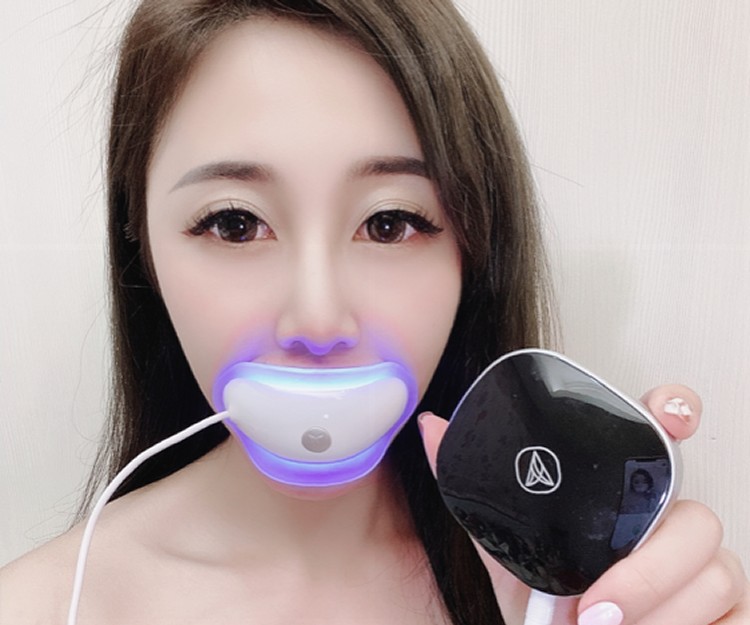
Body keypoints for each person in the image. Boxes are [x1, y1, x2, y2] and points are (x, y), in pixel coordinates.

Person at [0, 1, 747, 624]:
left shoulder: (550, 592)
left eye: (390, 223)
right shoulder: (41, 605)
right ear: (143, 246)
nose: (318, 320)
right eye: (234, 222)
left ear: (475, 250)